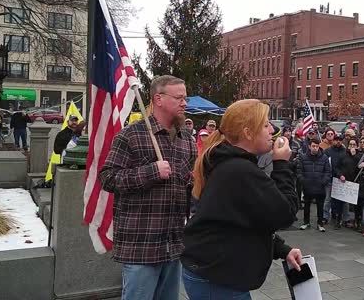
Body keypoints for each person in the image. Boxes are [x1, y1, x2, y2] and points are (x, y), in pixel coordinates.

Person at [181, 99, 302, 299]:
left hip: (213, 272)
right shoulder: (240, 169)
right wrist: (281, 165)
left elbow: (247, 218)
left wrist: (282, 249)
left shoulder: (231, 163)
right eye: (265, 124)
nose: (272, 129)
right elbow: (285, 213)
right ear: (247, 132)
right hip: (217, 278)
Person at [99, 75, 197, 300]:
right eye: (179, 98)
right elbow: (108, 178)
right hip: (141, 246)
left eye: (185, 98)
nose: (184, 103)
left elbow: (188, 185)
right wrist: (152, 172)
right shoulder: (131, 135)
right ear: (158, 99)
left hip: (173, 245)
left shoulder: (187, 140)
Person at [296, 138, 332, 232]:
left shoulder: (324, 158)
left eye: (316, 146)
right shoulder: (303, 157)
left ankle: (320, 223)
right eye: (313, 146)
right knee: (307, 205)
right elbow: (299, 171)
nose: (315, 148)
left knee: (320, 206)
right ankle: (306, 222)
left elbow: (328, 172)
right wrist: (303, 181)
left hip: (320, 187)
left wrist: (323, 181)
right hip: (308, 186)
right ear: (309, 146)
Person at [325, 134, 347, 228]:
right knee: (328, 199)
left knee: (344, 200)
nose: (338, 142)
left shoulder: (345, 152)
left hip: (341, 179)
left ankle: (345, 218)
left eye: (340, 140)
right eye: (336, 140)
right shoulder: (328, 151)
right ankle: (325, 216)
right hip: (330, 178)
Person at [343, 138, 363, 229]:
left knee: (358, 204)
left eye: (354, 145)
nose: (352, 146)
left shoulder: (360, 155)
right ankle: (346, 219)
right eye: (350, 144)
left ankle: (358, 221)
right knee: (346, 203)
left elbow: (359, 167)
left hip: (357, 182)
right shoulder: (344, 155)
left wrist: (354, 156)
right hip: (346, 181)